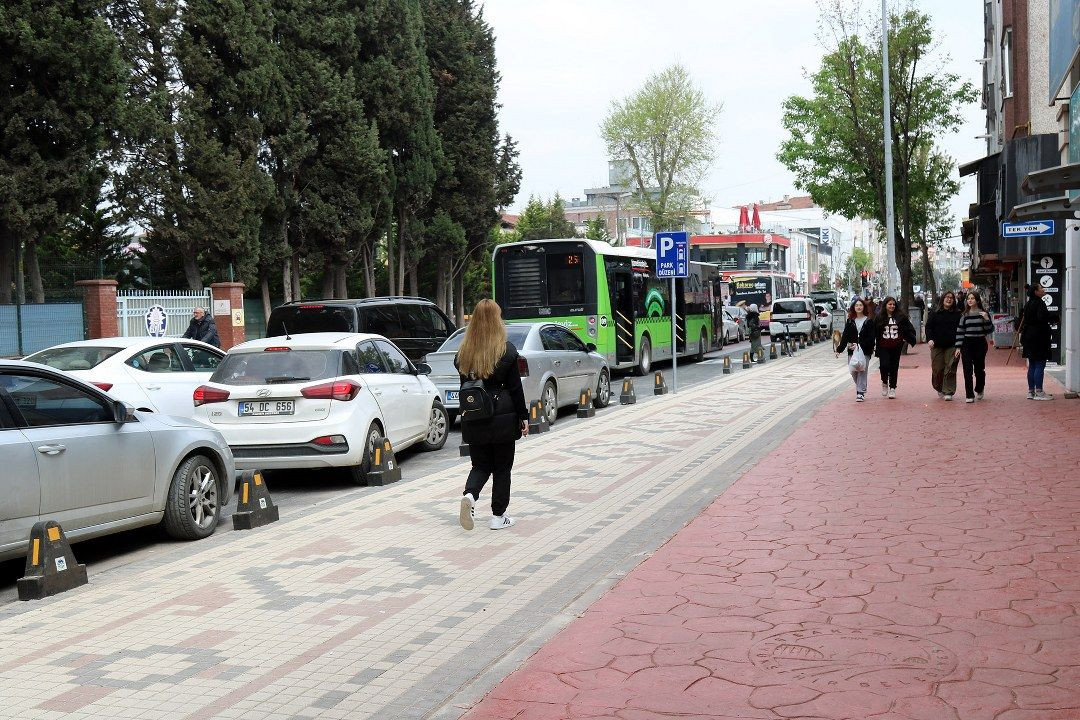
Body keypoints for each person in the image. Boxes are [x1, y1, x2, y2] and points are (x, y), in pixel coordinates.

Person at [455, 299, 529, 531]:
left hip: (474, 417)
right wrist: (523, 417)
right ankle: (498, 516)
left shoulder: (463, 353)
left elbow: (466, 387)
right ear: (497, 320)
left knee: (480, 465)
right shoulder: (506, 351)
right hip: (504, 417)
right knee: (502, 468)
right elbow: (516, 389)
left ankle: (470, 495)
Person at [954, 291, 994, 404]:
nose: (970, 300)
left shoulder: (983, 313)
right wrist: (958, 347)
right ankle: (969, 394)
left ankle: (980, 388)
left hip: (980, 343)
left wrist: (986, 319)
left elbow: (989, 330)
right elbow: (960, 331)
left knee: (979, 369)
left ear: (977, 300)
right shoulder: (964, 315)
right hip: (967, 344)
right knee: (967, 370)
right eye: (968, 298)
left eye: (972, 298)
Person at [834, 297, 876, 402]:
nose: (859, 307)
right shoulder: (850, 321)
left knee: (862, 370)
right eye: (856, 305)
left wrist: (860, 345)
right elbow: (845, 336)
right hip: (852, 351)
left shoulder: (869, 321)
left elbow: (871, 338)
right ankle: (861, 386)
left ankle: (860, 392)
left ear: (864, 307)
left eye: (860, 305)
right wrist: (840, 349)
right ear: (853, 307)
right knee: (853, 371)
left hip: (865, 350)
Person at [874, 296, 916, 399]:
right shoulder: (879, 317)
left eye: (893, 304)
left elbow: (909, 328)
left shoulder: (901, 317)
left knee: (894, 367)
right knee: (884, 365)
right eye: (889, 304)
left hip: (896, 346)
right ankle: (884, 382)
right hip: (883, 346)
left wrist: (907, 338)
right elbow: (874, 331)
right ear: (885, 305)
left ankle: (892, 388)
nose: (892, 306)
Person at [924, 291, 962, 401]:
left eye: (951, 298)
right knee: (937, 369)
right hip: (937, 345)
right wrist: (930, 339)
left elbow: (961, 329)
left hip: (952, 345)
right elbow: (928, 327)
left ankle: (948, 390)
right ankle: (939, 387)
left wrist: (959, 345)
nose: (949, 299)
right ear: (942, 299)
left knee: (950, 367)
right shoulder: (935, 313)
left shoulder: (958, 314)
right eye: (947, 297)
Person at [1020, 284, 1055, 400]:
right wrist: (1054, 318)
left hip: (1028, 336)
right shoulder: (1040, 303)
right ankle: (1039, 392)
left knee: (1032, 364)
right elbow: (1042, 317)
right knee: (1040, 363)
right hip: (1039, 337)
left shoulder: (1028, 304)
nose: (1043, 290)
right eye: (1041, 288)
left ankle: (1031, 391)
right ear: (1036, 292)